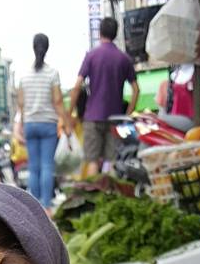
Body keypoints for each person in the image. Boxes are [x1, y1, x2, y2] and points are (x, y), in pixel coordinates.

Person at [69, 17, 140, 176]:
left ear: (100, 32)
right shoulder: (124, 58)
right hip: (115, 119)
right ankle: (109, 194)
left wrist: (70, 113)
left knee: (92, 161)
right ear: (115, 34)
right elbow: (136, 89)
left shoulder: (91, 56)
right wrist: (127, 114)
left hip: (93, 117)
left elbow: (77, 85)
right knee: (111, 161)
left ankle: (93, 195)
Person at [15, 33, 71, 211]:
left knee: (33, 166)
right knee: (47, 165)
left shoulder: (24, 75)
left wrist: (21, 125)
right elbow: (58, 102)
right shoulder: (52, 74)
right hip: (48, 124)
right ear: (47, 49)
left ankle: (35, 205)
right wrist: (66, 122)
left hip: (30, 124)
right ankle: (46, 206)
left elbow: (21, 104)